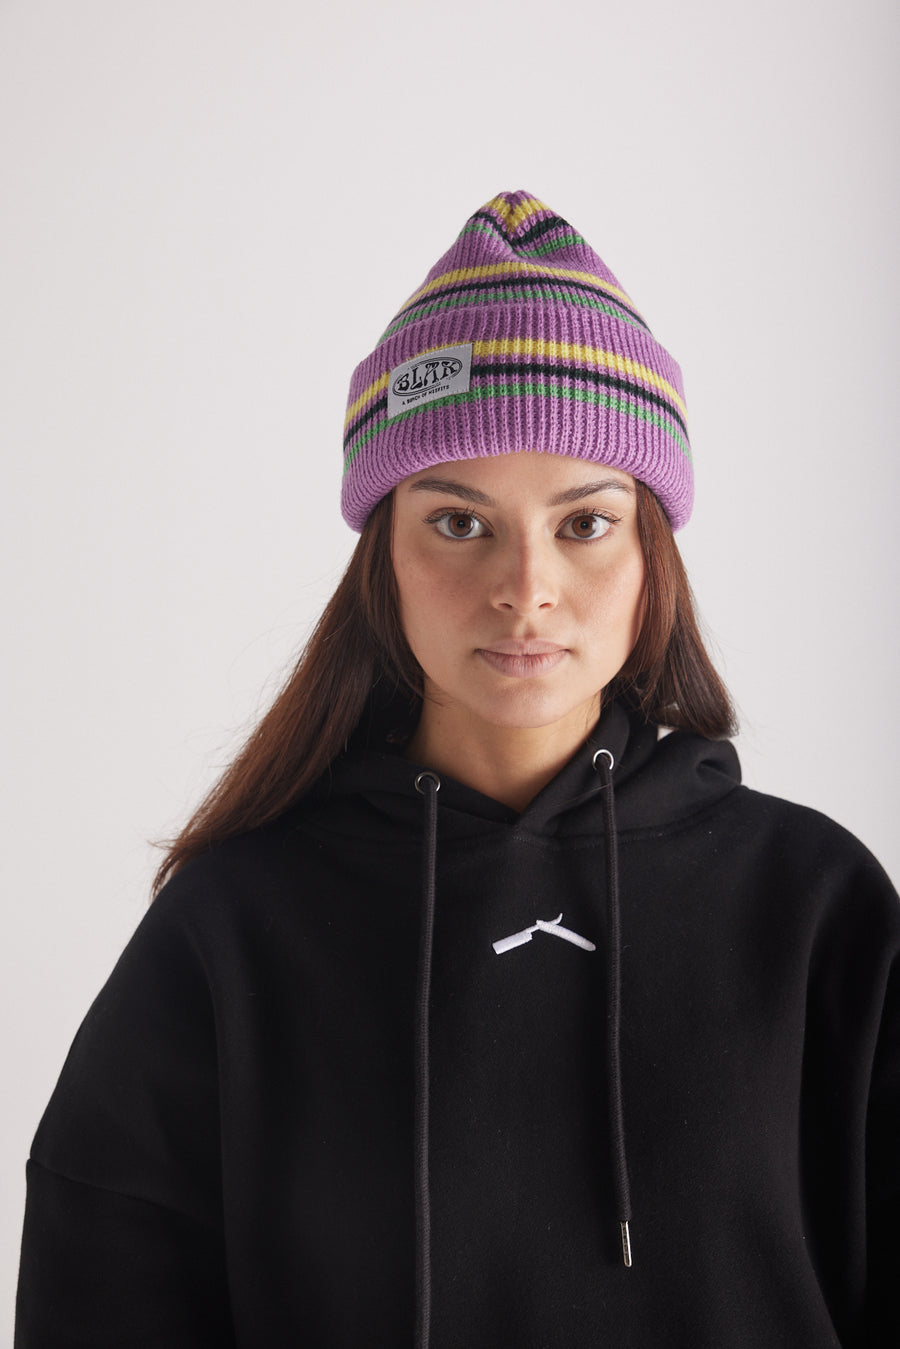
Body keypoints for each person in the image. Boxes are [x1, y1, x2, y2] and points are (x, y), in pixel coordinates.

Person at [15, 191, 899, 1349]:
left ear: (652, 551)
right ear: (383, 551)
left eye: (585, 522)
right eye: (459, 522)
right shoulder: (237, 925)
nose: (525, 588)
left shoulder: (811, 902)